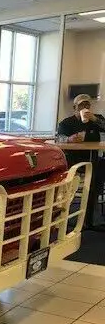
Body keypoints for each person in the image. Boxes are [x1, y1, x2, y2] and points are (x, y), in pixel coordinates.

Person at [57, 94, 105, 228]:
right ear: (75, 108)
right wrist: (69, 139)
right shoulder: (67, 123)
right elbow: (59, 138)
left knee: (98, 175)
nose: (84, 108)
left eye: (87, 105)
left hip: (93, 159)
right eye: (81, 106)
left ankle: (91, 215)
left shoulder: (97, 119)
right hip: (73, 161)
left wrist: (94, 118)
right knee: (73, 180)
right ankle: (65, 214)